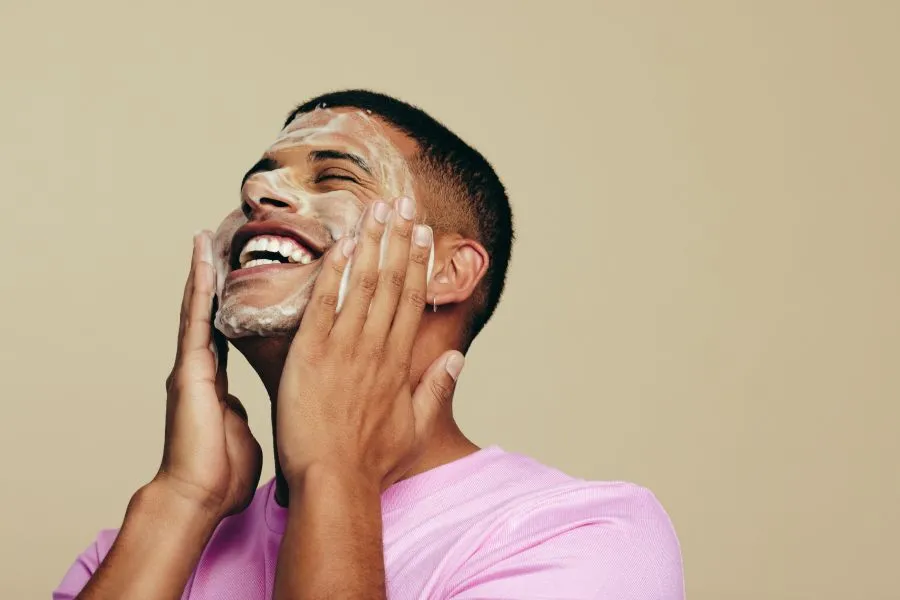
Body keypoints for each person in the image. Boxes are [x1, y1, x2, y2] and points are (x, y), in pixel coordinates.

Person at [54, 90, 684, 599]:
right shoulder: (134, 553)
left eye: (334, 176)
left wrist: (337, 471)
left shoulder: (585, 537)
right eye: (257, 182)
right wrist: (182, 500)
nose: (256, 196)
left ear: (447, 271)